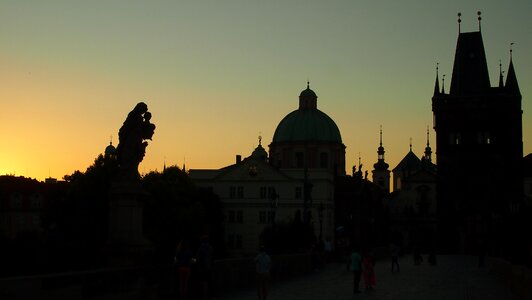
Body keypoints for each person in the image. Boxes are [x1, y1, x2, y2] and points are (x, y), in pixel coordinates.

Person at [195, 235, 214, 300]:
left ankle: (204, 296)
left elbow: (198, 258)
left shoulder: (200, 248)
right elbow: (212, 257)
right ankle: (208, 295)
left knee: (203, 282)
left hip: (202, 267)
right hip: (209, 267)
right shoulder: (210, 248)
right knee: (208, 282)